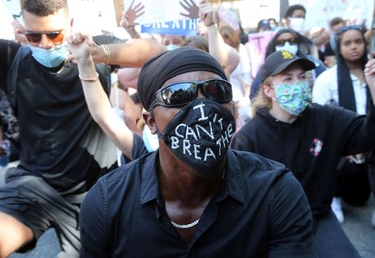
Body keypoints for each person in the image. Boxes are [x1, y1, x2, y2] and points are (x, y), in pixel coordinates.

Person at [78, 46, 317, 257]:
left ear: (232, 110)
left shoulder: (275, 191)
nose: (203, 107)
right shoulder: (108, 202)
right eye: (179, 96)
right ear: (151, 122)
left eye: (217, 92)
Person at [0, 0, 165, 258]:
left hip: (96, 193)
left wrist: (97, 54)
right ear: (22, 30)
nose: (45, 44)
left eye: (54, 34)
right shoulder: (12, 57)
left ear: (71, 23)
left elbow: (154, 50)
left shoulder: (94, 48)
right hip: (33, 184)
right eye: (34, 36)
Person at [231, 49, 375, 258]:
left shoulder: (326, 118)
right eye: (287, 79)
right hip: (271, 226)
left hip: (318, 216)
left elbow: (368, 135)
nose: (297, 85)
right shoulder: (249, 138)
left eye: (302, 77)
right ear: (268, 90)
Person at [312, 25, 373, 224]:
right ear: (338, 47)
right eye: (347, 43)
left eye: (358, 42)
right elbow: (318, 116)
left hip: (371, 135)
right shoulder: (327, 79)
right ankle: (334, 199)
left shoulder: (372, 72)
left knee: (359, 198)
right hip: (343, 140)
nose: (354, 47)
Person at [250, 28, 326, 101]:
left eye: (291, 41)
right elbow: (254, 94)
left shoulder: (311, 62)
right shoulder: (268, 66)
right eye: (281, 42)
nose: (287, 45)